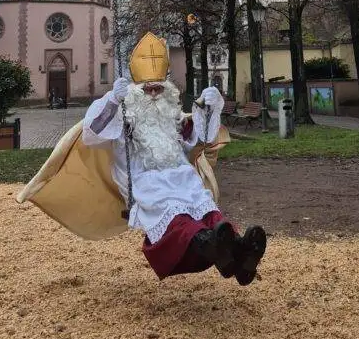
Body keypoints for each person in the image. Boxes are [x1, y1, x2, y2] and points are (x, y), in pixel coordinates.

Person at [82, 32, 267, 284]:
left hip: (180, 175)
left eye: (158, 88)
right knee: (174, 214)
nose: (154, 93)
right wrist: (113, 99)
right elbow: (93, 132)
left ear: (166, 89)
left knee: (206, 206)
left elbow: (202, 137)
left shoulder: (173, 118)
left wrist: (210, 107)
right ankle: (209, 245)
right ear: (136, 91)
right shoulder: (125, 116)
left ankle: (239, 252)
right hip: (146, 181)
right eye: (148, 89)